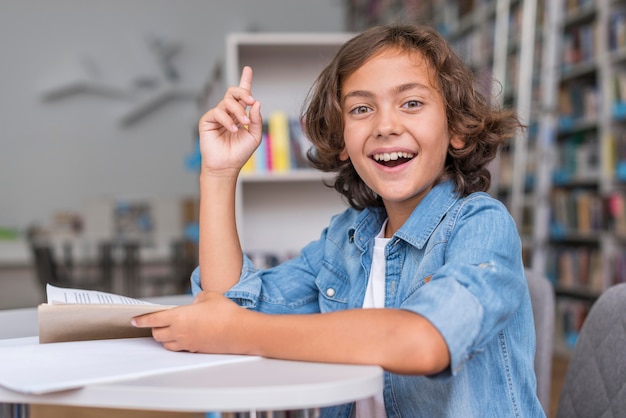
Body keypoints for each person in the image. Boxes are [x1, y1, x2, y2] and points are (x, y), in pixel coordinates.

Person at [132, 24, 545, 417]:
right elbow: (227, 304)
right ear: (342, 140)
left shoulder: (481, 224)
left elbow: (423, 342)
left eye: (412, 103)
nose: (386, 126)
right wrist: (219, 174)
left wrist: (234, 330)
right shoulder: (347, 238)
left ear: (456, 128)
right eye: (362, 108)